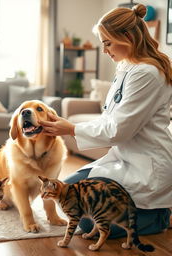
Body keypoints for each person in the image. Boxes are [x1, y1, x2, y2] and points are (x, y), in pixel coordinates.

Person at [39, 4, 172, 238]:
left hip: (146, 165)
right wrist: (66, 125)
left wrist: (70, 128)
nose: (104, 50)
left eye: (107, 42)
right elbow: (110, 117)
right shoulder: (127, 67)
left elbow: (118, 130)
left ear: (128, 37)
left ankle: (160, 216)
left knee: (92, 223)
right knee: (69, 195)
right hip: (123, 159)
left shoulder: (147, 73)